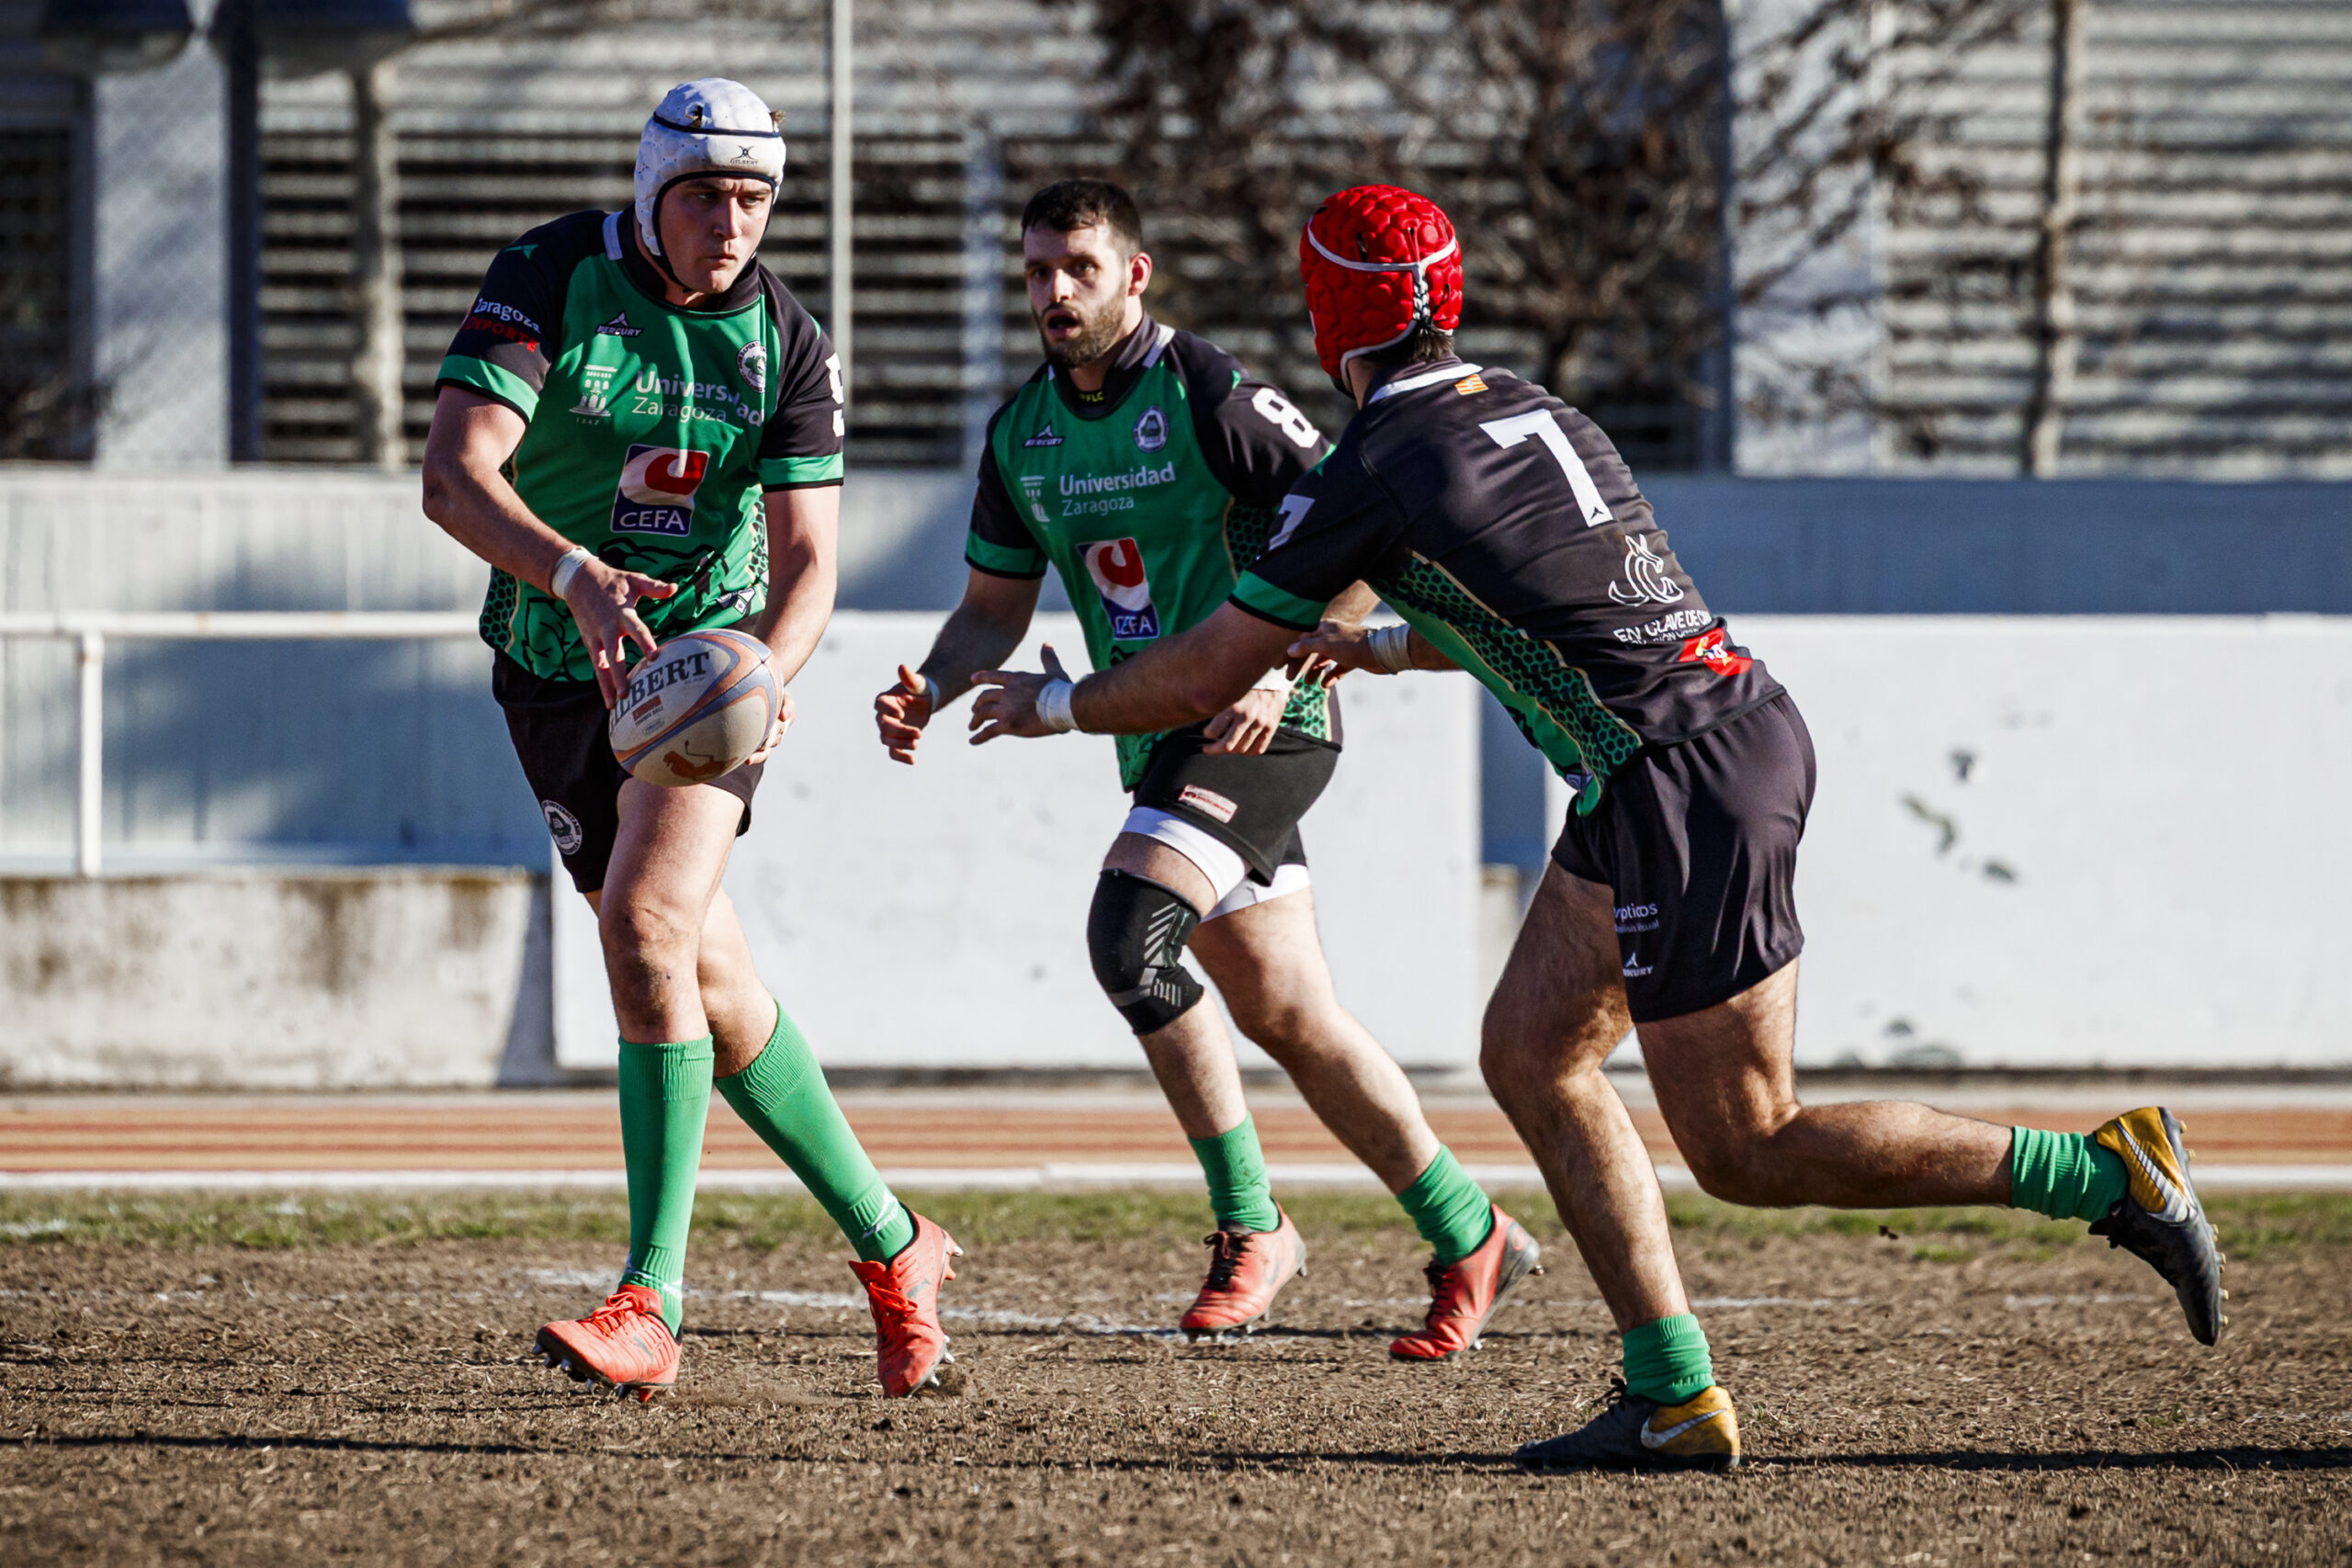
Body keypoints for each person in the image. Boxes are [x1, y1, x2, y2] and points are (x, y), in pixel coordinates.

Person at [966, 183, 2225, 1468]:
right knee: (1528, 1050)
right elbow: (1549, 612)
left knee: (1748, 1142)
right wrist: (1380, 647)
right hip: (1686, 755)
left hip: (1677, 779)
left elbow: (1203, 672)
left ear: (1325, 306)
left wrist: (1056, 699)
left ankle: (2105, 1173)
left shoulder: (1375, 466)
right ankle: (1671, 1388)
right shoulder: (1524, 403)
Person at [873, 178, 1540, 1355]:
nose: (1054, 292)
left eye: (1079, 267)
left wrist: (1289, 667)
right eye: (1036, 272)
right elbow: (990, 610)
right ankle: (1470, 1229)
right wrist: (931, 680)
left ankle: (1253, 1226)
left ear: (1136, 275)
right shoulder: (1021, 432)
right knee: (1292, 1015)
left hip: (1260, 722)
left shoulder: (1209, 391)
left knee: (1129, 934)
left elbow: (1361, 525)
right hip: (1155, 730)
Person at [422, 78, 960, 1402]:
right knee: (707, 984)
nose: (734, 223)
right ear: (652, 187)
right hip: (554, 661)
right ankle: (901, 1246)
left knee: (646, 924)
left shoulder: (789, 343)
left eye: (758, 198)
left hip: (706, 666)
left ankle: (652, 1296)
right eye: (709, 193)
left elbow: (814, 559)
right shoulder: (549, 275)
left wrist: (762, 674)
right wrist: (574, 577)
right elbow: (454, 474)